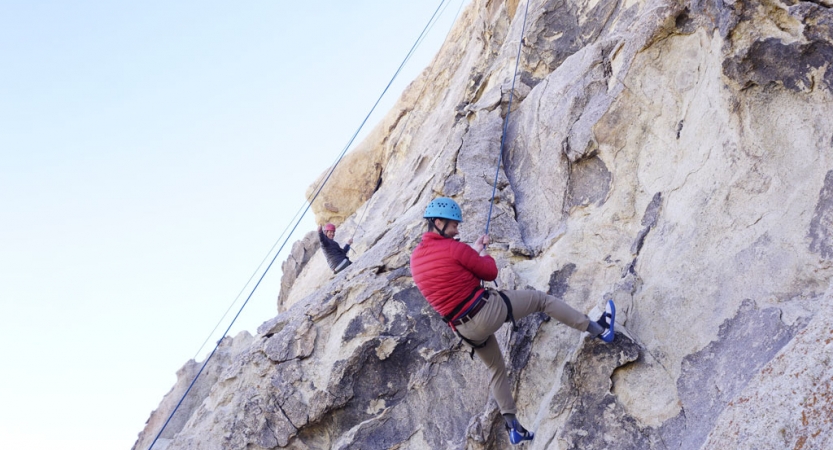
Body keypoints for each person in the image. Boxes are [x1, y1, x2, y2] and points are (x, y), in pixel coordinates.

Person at [409, 197, 615, 445]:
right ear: (439, 222)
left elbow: (450, 270)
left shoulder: (416, 260)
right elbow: (490, 272)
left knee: (496, 369)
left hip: (464, 330)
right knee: (541, 301)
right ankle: (599, 329)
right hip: (486, 312)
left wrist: (473, 252)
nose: (457, 229)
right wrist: (484, 255)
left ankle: (514, 428)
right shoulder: (455, 248)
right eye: (454, 225)